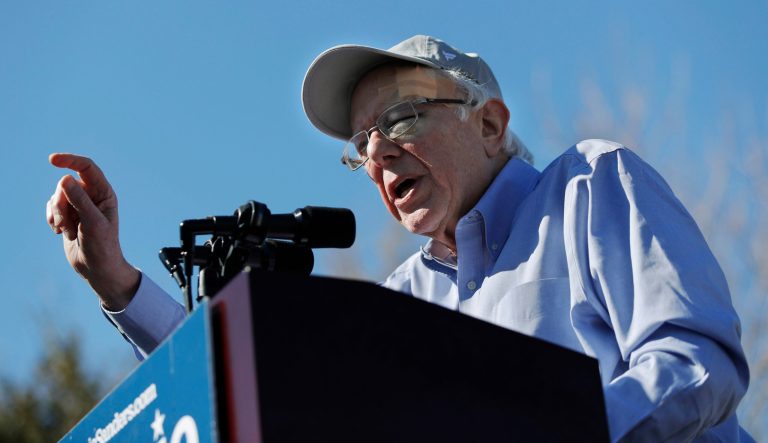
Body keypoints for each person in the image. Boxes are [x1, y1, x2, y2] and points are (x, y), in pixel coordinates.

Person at [47, 35, 752, 442]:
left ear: (490, 124)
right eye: (362, 144)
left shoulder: (587, 186)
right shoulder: (397, 305)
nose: (378, 154)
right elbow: (255, 391)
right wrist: (121, 286)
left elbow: (696, 357)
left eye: (404, 117)